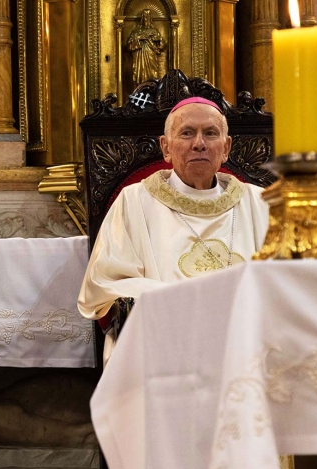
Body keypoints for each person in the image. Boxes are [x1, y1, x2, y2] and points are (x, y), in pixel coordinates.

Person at [78, 97, 269, 361]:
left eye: (210, 133)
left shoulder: (261, 204)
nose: (199, 143)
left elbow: (284, 283)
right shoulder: (134, 201)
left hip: (248, 340)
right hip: (166, 340)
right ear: (165, 148)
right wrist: (190, 305)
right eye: (187, 133)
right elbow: (107, 285)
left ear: (226, 148)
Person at [127, 9, 166, 85]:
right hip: (140, 56)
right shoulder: (137, 31)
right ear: (142, 18)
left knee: (152, 74)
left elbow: (162, 45)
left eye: (148, 16)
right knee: (140, 74)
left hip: (151, 55)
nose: (146, 19)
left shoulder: (154, 31)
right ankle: (140, 89)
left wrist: (157, 40)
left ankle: (152, 87)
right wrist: (138, 38)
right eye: (145, 17)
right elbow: (129, 44)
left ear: (151, 18)